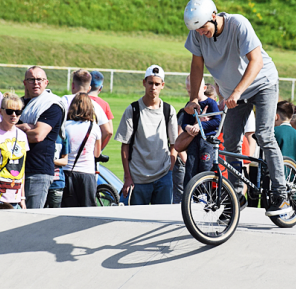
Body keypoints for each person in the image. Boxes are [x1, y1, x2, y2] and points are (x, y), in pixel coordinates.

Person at [183, 0, 290, 216]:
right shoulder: (197, 34)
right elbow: (196, 66)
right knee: (229, 141)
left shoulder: (238, 24)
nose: (201, 33)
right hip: (234, 94)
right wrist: (194, 97)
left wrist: (237, 92)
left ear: (214, 16)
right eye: (198, 31)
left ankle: (282, 195)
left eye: (204, 28)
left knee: (263, 135)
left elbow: (256, 61)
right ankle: (237, 197)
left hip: (262, 85)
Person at [115, 64, 178, 205]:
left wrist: (170, 170)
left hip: (163, 177)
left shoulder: (168, 110)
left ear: (163, 85)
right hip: (138, 178)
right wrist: (127, 177)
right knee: (137, 221)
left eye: (157, 84)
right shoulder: (133, 109)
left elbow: (174, 144)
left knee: (161, 220)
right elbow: (125, 145)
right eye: (150, 83)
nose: (153, 87)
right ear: (144, 83)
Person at [16, 66, 64, 209]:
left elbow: (37, 135)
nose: (36, 83)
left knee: (29, 218)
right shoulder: (17, 104)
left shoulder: (51, 105)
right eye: (31, 79)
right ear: (25, 83)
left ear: (46, 82)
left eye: (39, 79)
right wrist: (24, 127)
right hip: (13, 169)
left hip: (38, 170)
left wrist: (12, 130)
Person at [174, 75, 221, 191]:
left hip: (207, 140)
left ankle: (205, 194)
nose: (192, 94)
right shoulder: (189, 105)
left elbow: (217, 121)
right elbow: (185, 123)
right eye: (190, 91)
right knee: (191, 167)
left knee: (205, 166)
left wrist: (200, 126)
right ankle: (190, 195)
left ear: (204, 88)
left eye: (195, 91)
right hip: (194, 141)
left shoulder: (211, 103)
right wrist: (189, 128)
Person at [62, 93, 101, 207]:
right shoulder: (94, 127)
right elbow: (97, 153)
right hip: (87, 173)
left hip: (67, 172)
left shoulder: (65, 126)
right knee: (88, 211)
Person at [60, 69, 112, 151]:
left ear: (72, 85)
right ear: (89, 88)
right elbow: (108, 131)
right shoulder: (96, 105)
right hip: (87, 153)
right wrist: (97, 150)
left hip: (65, 152)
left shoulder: (64, 100)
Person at [89, 70, 115, 149]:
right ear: (101, 88)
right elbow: (109, 131)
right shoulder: (104, 104)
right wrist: (99, 149)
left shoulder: (77, 100)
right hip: (95, 144)